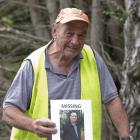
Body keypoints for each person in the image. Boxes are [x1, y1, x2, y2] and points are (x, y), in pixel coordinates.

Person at [2, 8, 133, 140]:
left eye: (81, 35)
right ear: (55, 31)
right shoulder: (33, 64)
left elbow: (112, 101)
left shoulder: (92, 58)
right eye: (69, 34)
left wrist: (126, 136)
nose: (75, 41)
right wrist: (32, 125)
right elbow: (8, 111)